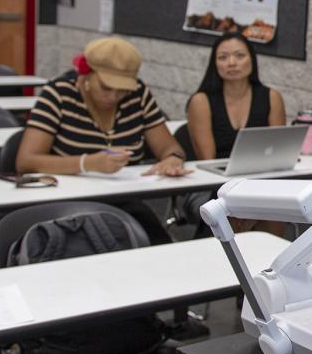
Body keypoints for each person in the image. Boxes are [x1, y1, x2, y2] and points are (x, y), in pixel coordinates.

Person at [17, 37, 189, 244]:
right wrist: (86, 164)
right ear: (86, 75)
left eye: (123, 89)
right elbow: (26, 161)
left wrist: (172, 159)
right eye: (106, 87)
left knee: (158, 247)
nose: (114, 96)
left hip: (123, 199)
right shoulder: (59, 94)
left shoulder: (138, 95)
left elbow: (169, 146)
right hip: (66, 201)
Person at [186, 32, 287, 236]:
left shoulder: (271, 97)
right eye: (223, 57)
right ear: (214, 64)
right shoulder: (201, 101)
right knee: (239, 209)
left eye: (239, 56)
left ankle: (271, 265)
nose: (231, 63)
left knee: (277, 209)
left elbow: (279, 152)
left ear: (252, 60)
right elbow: (208, 162)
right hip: (216, 183)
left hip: (261, 179)